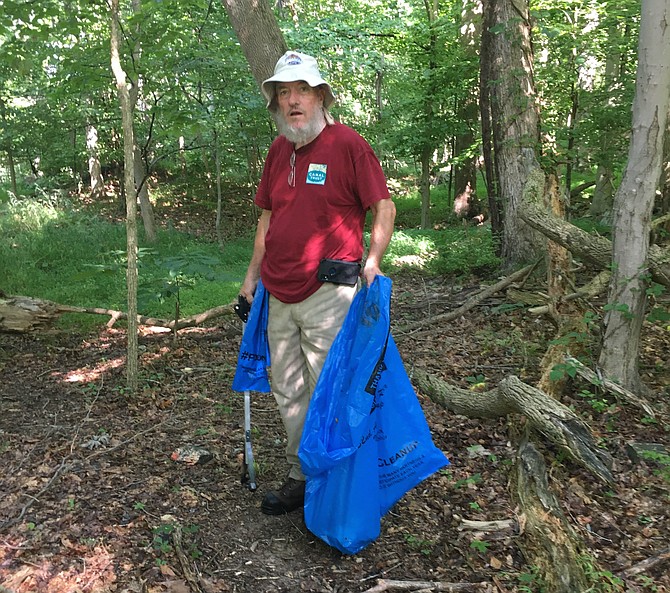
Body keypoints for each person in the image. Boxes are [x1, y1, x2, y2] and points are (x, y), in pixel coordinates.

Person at [238, 50, 396, 516]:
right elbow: (268, 218)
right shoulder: (277, 150)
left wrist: (373, 260)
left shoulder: (349, 145)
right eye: (284, 93)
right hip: (277, 292)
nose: (292, 101)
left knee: (329, 387)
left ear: (321, 96)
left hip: (330, 291)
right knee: (289, 390)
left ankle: (338, 485)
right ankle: (301, 476)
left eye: (301, 90)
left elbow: (382, 206)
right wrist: (250, 279)